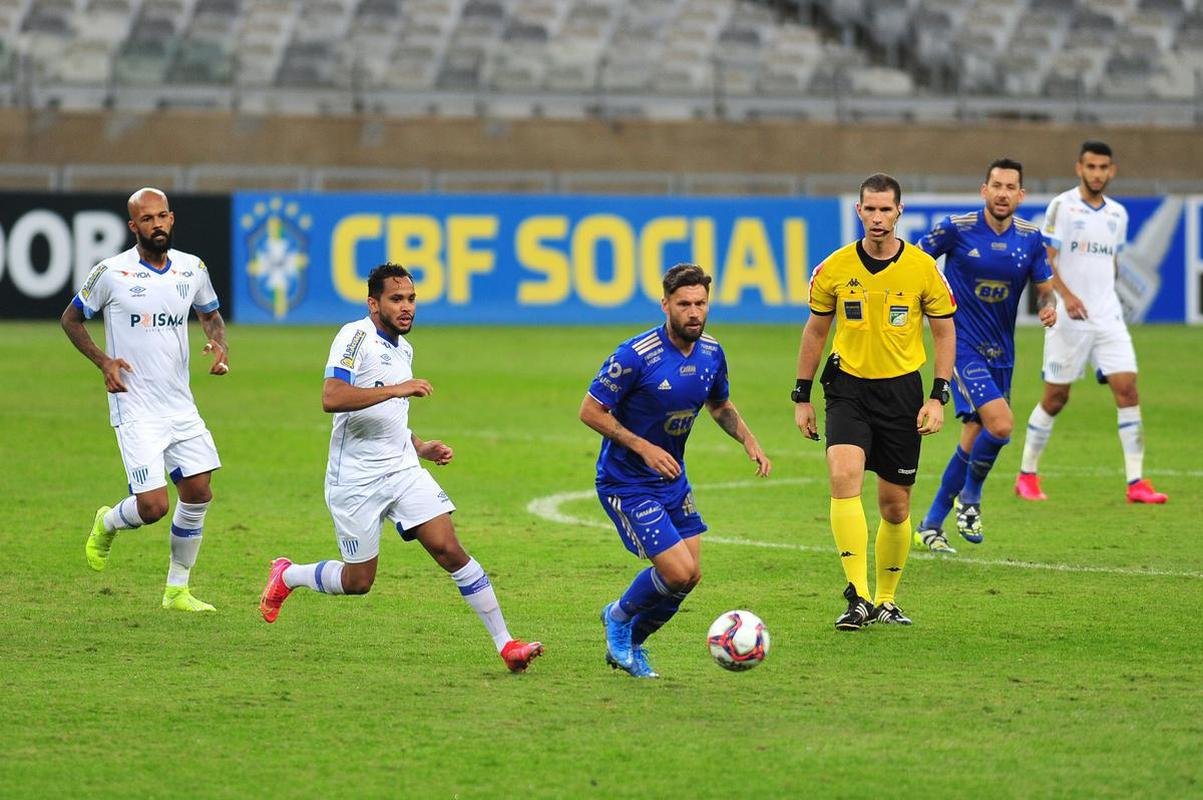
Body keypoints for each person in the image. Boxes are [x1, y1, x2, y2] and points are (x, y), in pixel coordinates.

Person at [257, 263, 543, 673]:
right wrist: (396, 388)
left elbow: (392, 417)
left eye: (410, 298)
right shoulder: (354, 337)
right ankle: (288, 576)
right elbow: (332, 396)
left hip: (402, 470)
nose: (407, 307)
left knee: (450, 551)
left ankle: (506, 644)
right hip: (354, 479)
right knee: (359, 582)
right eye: (396, 299)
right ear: (373, 303)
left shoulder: (403, 348)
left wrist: (421, 446)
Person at [580, 263, 771, 678]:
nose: (694, 313)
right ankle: (616, 616)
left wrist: (748, 439)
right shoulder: (634, 356)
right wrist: (642, 446)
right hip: (626, 482)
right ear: (665, 305)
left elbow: (719, 405)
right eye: (684, 304)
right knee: (676, 570)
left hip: (671, 481)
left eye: (700, 303)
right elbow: (590, 411)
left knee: (691, 577)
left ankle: (633, 644)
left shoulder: (711, 353)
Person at [793, 173, 956, 630]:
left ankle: (885, 599)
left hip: (902, 392)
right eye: (871, 209)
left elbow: (944, 331)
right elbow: (816, 331)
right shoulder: (834, 268)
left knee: (895, 507)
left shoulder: (924, 269)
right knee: (843, 477)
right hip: (848, 388)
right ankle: (858, 595)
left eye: (887, 209)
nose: (878, 217)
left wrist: (938, 396)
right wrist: (802, 395)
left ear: (899, 211)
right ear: (858, 211)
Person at [62, 187, 229, 612]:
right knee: (153, 507)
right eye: (146, 219)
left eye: (162, 217)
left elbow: (209, 313)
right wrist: (104, 362)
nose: (156, 225)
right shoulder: (111, 272)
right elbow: (71, 318)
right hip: (134, 405)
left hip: (179, 404)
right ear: (133, 226)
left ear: (171, 219)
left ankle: (177, 590)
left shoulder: (192, 268)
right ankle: (108, 520)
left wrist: (219, 346)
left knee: (198, 492)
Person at [912, 158, 1057, 554]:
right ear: (984, 190)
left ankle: (931, 522)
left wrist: (1048, 305)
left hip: (1002, 352)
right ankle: (971, 498)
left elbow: (1046, 286)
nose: (1003, 193)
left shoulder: (1029, 238)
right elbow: (915, 263)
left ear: (1021, 195)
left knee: (975, 434)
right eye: (997, 185)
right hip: (961, 345)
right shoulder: (955, 229)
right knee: (1002, 424)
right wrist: (923, 307)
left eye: (1011, 187)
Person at [1014, 141, 1169, 504]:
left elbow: (1111, 263)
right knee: (1056, 398)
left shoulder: (1118, 214)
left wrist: (1105, 296)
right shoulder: (1062, 207)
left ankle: (1136, 483)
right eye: (1091, 167)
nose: (1097, 173)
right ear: (1079, 168)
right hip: (1069, 319)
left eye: (1103, 167)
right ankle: (1026, 475)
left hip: (1108, 317)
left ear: (1111, 171)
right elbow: (1046, 260)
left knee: (1128, 391)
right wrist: (1066, 297)